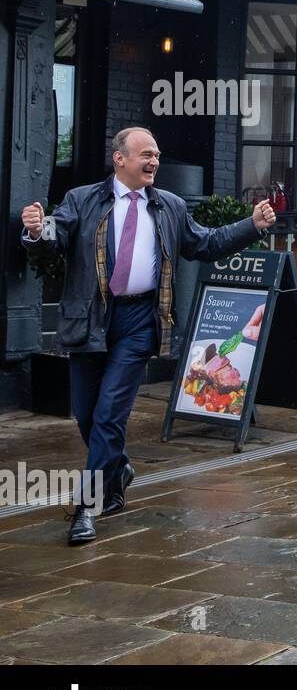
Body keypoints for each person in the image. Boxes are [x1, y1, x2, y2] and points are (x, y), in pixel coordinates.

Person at [21, 127, 275, 544]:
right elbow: (54, 236)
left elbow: (205, 244)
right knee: (86, 414)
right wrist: (36, 230)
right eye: (146, 154)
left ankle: (87, 505)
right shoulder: (83, 199)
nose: (154, 160)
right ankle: (117, 469)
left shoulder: (169, 206)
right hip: (91, 319)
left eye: (157, 154)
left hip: (140, 321)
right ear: (120, 159)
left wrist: (252, 224)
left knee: (108, 415)